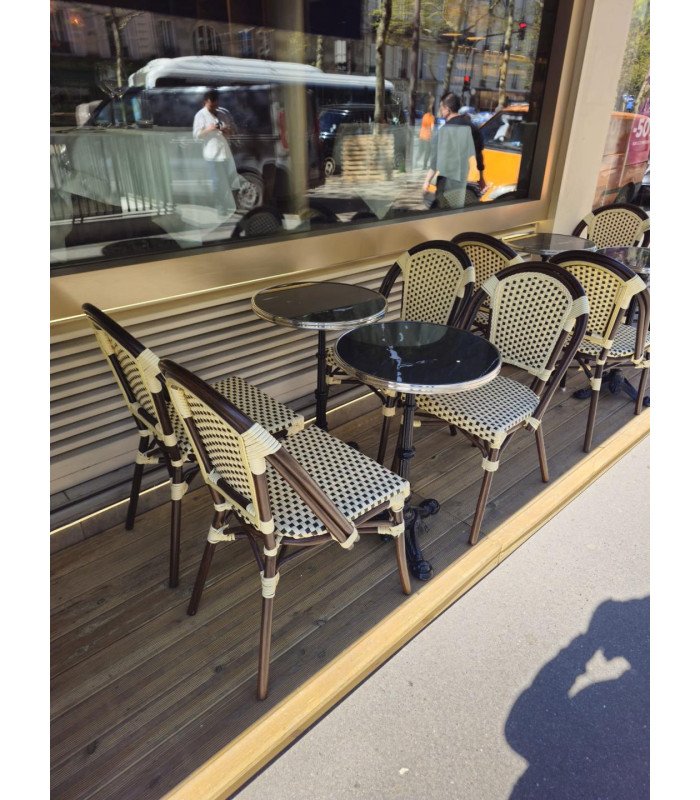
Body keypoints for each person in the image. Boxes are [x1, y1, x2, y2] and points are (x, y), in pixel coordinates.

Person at [423, 92, 476, 209]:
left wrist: (427, 181)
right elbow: (478, 151)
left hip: (446, 182)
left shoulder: (444, 131)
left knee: (439, 213)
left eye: (441, 108)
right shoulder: (471, 127)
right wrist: (482, 178)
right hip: (461, 180)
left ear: (447, 109)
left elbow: (435, 161)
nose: (440, 111)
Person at [192, 88, 240, 216]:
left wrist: (226, 130)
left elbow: (231, 133)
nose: (214, 107)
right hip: (211, 154)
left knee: (230, 180)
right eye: (211, 105)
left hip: (225, 153)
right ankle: (220, 206)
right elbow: (197, 135)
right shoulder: (200, 115)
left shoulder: (222, 114)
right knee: (217, 182)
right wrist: (209, 129)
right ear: (205, 102)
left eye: (216, 104)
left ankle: (228, 203)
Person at [417, 96, 435, 170]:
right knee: (427, 152)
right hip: (427, 137)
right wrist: (433, 136)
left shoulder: (424, 116)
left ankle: (415, 162)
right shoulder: (432, 117)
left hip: (421, 136)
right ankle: (424, 166)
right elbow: (432, 128)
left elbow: (422, 125)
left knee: (420, 151)